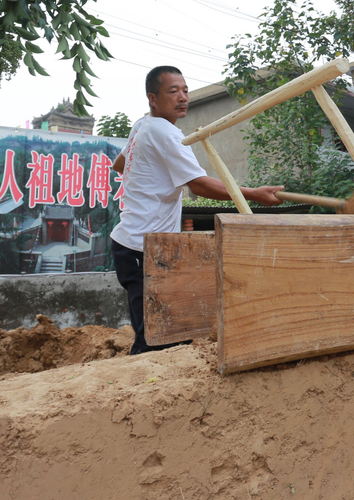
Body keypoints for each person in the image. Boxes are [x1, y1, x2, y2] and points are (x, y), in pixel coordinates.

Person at [110, 65, 283, 354]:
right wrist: (254, 194)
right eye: (173, 91)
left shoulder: (142, 125)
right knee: (154, 340)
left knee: (165, 331)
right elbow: (199, 186)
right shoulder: (166, 134)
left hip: (137, 244)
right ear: (153, 98)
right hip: (142, 248)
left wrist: (151, 176)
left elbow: (119, 164)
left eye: (185, 91)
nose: (183, 97)